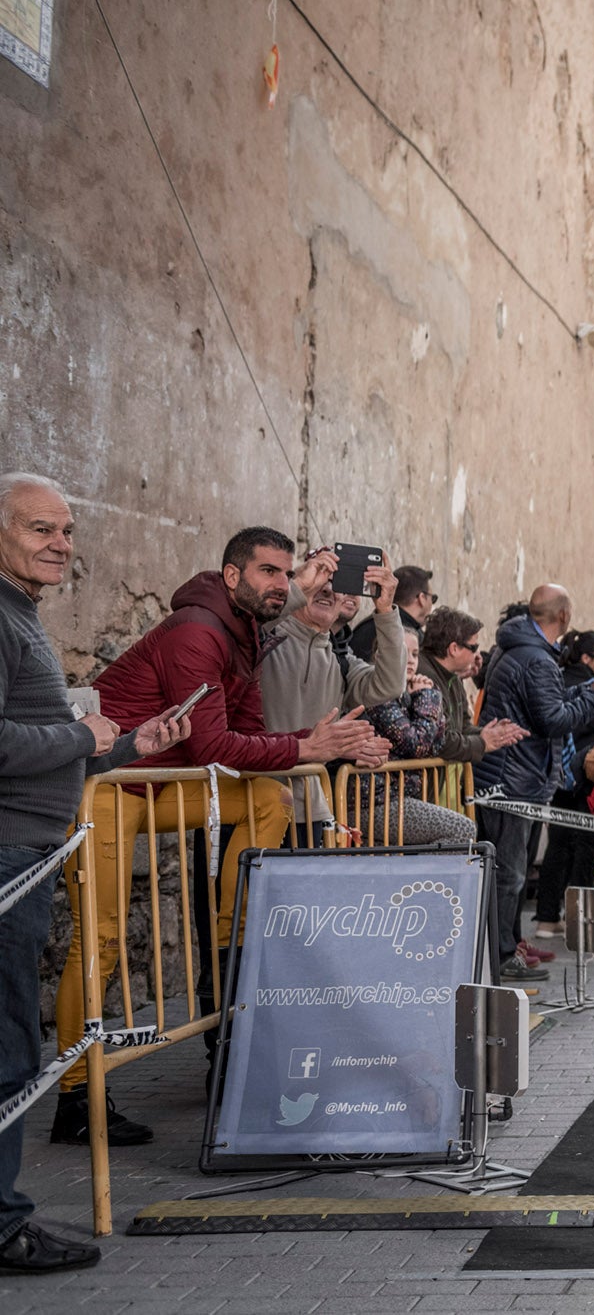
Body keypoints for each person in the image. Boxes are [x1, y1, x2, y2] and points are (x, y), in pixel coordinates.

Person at [77, 526, 376, 1143]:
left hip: (162, 789)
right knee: (101, 943)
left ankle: (236, 937)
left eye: (285, 572)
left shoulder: (244, 636)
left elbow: (249, 737)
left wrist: (305, 748)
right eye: (268, 571)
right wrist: (306, 746)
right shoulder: (198, 630)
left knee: (267, 794)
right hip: (106, 791)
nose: (280, 584)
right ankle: (75, 1098)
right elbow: (212, 745)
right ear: (232, 576)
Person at [0, 474, 192, 1275]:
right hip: (9, 864)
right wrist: (82, 735)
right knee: (9, 1044)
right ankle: (4, 1223)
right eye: (41, 528)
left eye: (68, 530)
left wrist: (126, 746)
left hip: (28, 860)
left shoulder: (22, 616)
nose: (62, 543)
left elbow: (51, 738)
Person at [472, 587, 594, 985]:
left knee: (515, 870)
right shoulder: (535, 658)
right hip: (515, 778)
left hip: (514, 775)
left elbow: (551, 702)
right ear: (564, 614)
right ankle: (503, 954)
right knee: (509, 873)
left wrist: (587, 693)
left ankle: (511, 944)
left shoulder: (522, 650)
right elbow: (554, 719)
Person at [259, 550, 408, 840]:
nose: (329, 589)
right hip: (251, 806)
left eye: (338, 582)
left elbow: (390, 684)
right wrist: (298, 589)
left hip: (313, 812)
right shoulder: (260, 638)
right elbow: (246, 625)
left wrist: (386, 609)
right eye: (320, 578)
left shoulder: (340, 659)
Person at [531, 630, 594, 941]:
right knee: (586, 848)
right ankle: (579, 921)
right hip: (584, 779)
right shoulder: (591, 688)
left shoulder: (558, 680)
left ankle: (546, 918)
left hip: (556, 778)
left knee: (558, 847)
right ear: (587, 658)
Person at [355, 629, 477, 847]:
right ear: (381, 655)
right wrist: (426, 697)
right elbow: (416, 745)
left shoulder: (406, 695)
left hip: (398, 797)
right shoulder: (377, 693)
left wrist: (425, 697)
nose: (411, 661)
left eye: (415, 654)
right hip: (372, 801)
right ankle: (429, 882)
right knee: (462, 828)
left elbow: (435, 744)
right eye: (403, 653)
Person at [417, 606, 530, 766]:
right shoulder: (425, 677)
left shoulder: (452, 676)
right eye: (473, 647)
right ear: (454, 649)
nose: (478, 654)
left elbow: (462, 727)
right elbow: (441, 740)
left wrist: (491, 733)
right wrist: (483, 742)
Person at [347, 563, 435, 662]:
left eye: (414, 654)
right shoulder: (391, 629)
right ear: (422, 598)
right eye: (433, 598)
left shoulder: (371, 625)